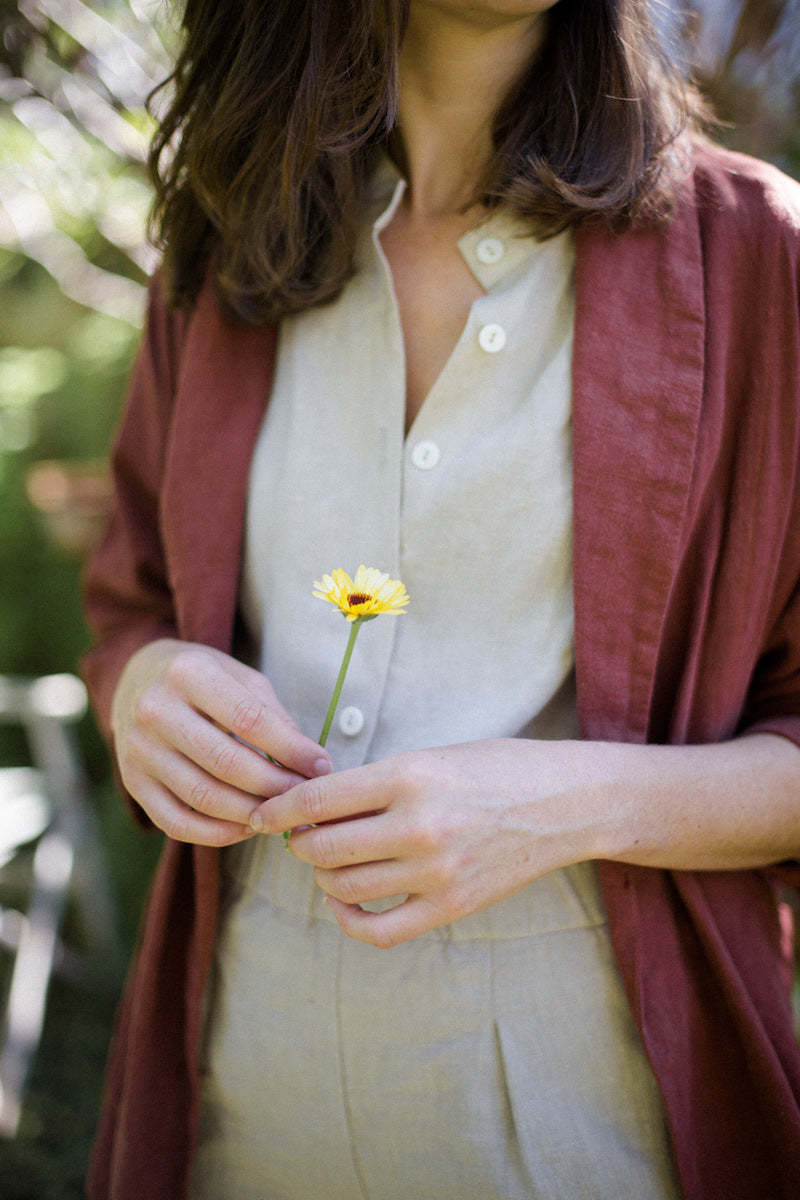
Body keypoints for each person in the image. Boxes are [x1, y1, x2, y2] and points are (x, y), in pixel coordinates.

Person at [81, 1, 800, 1197]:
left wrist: (571, 803)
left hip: (593, 1120)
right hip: (239, 1084)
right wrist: (145, 689)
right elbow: (129, 609)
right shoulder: (221, 250)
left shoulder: (761, 261)